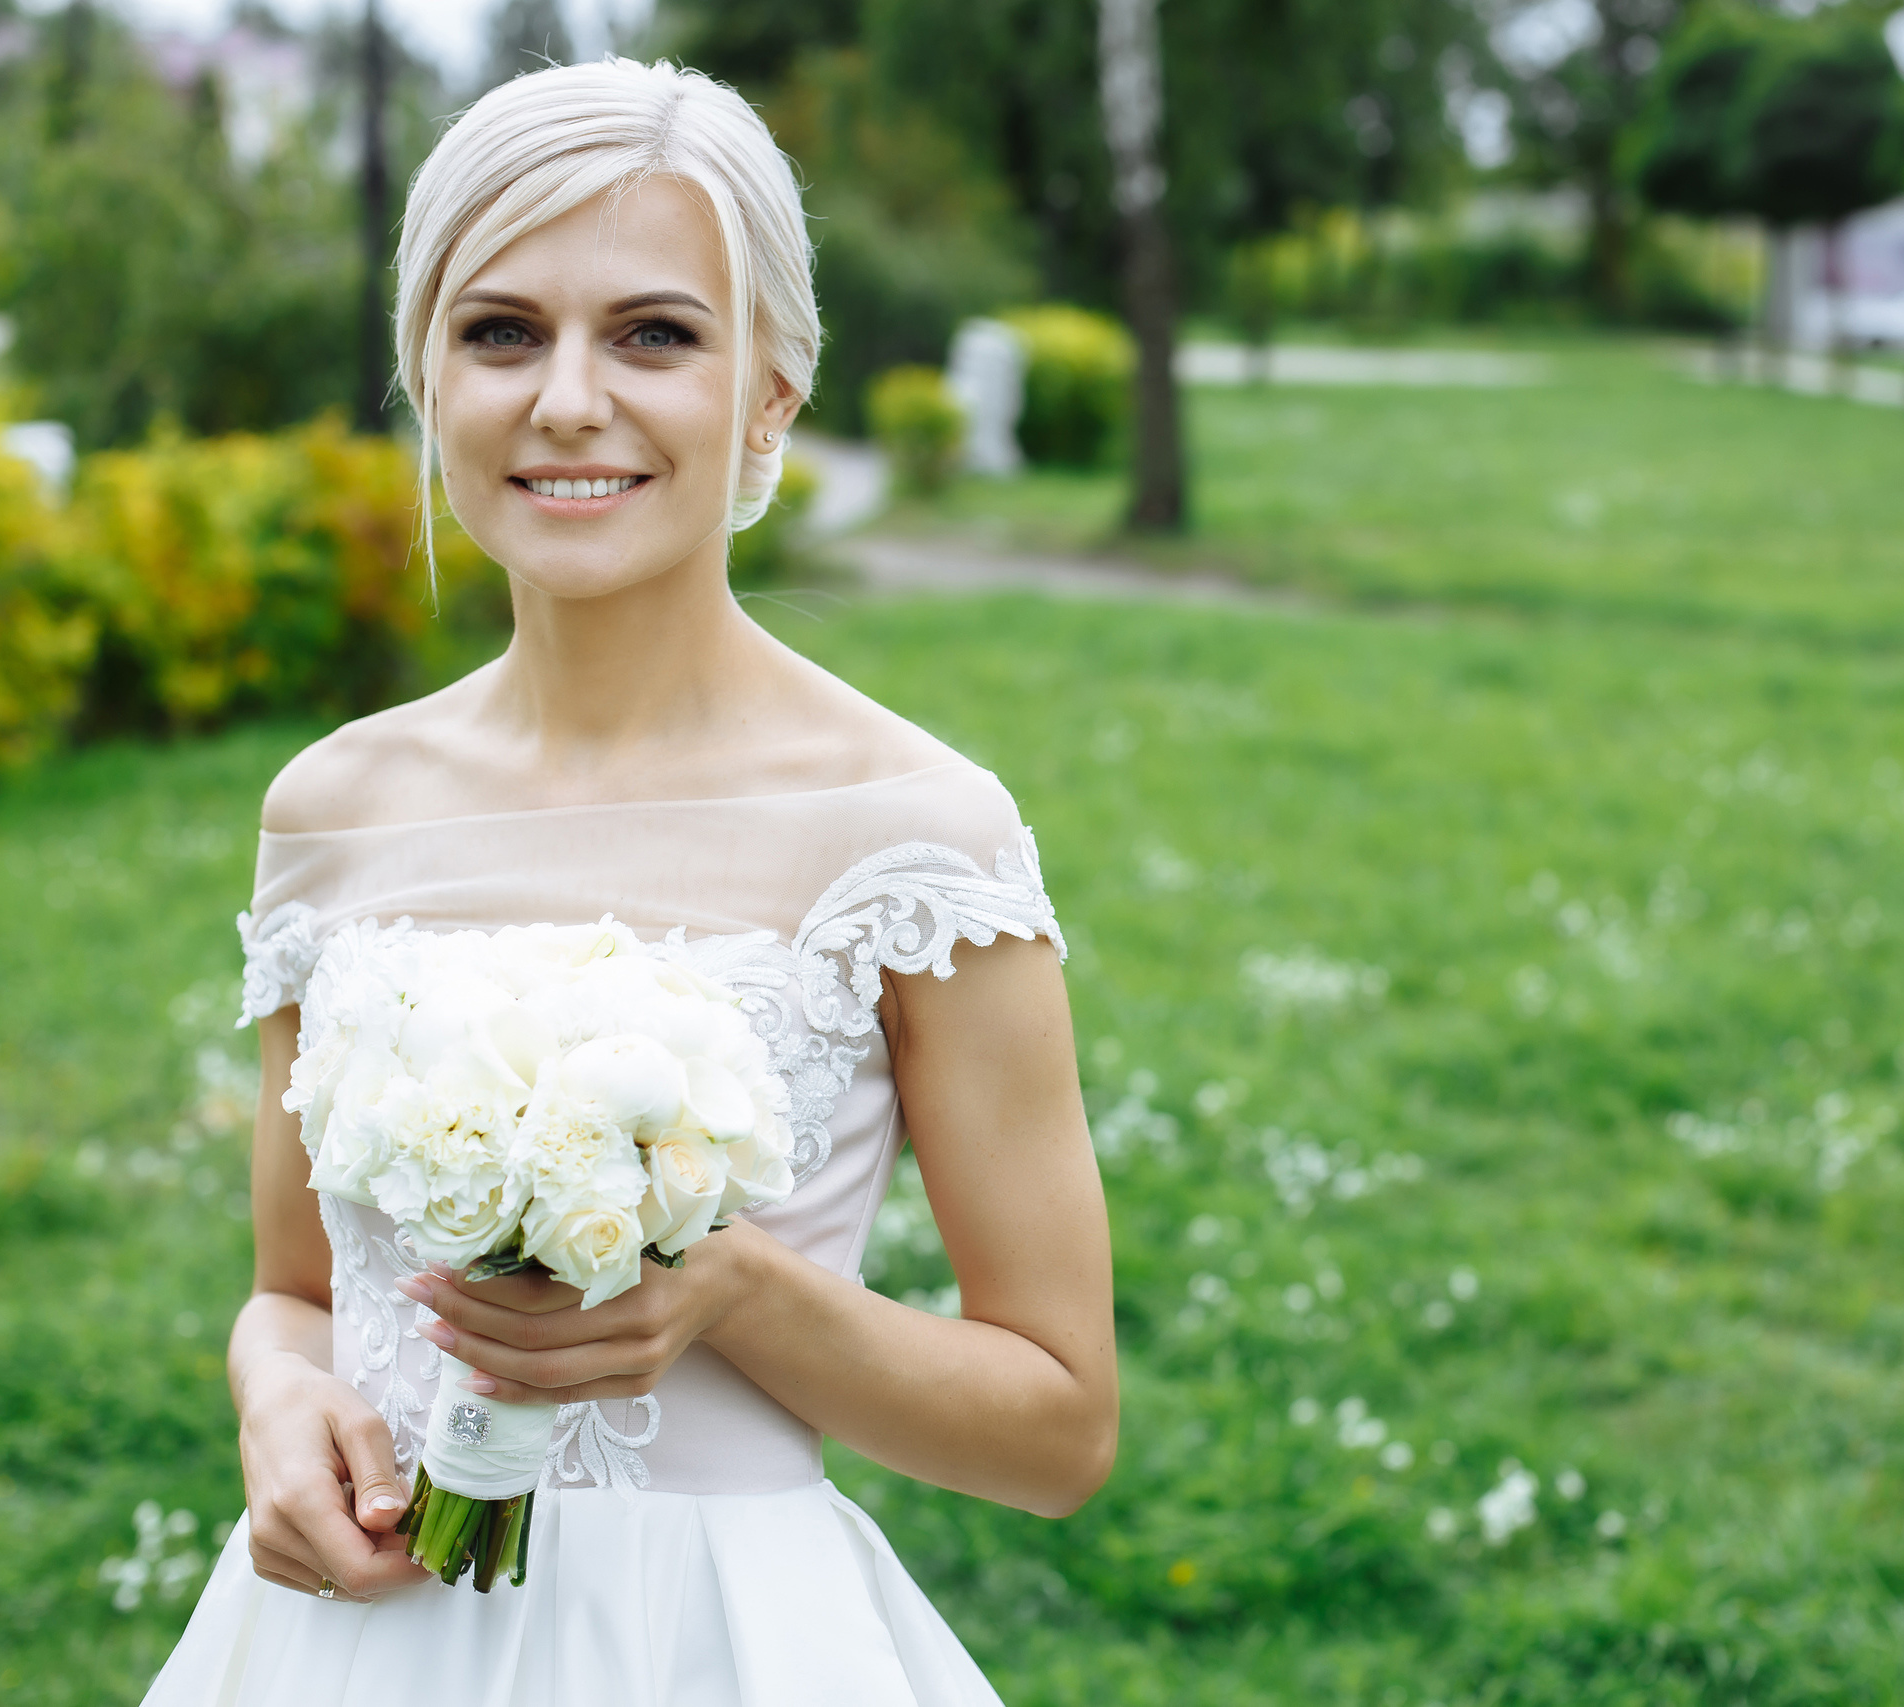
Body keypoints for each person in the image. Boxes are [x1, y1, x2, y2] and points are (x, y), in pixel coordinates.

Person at [144, 57, 1116, 1705]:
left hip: (719, 1645)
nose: (569, 400)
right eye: (501, 332)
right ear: (427, 379)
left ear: (772, 396)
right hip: (356, 1649)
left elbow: (1058, 1425)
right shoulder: (334, 808)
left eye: (654, 334)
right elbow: (295, 1296)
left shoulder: (917, 836)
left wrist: (731, 1294)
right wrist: (278, 1401)